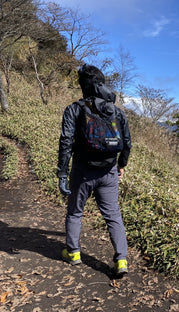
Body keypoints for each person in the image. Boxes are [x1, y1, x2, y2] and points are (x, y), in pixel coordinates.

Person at [57, 64, 132, 275]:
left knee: (75, 212)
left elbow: (66, 142)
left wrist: (63, 173)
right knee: (113, 215)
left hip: (82, 171)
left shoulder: (74, 109)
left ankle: (73, 253)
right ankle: (122, 260)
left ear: (83, 86)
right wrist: (121, 165)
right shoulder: (116, 112)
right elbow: (127, 143)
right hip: (109, 171)